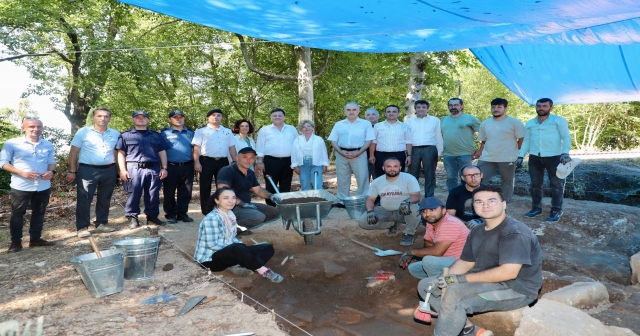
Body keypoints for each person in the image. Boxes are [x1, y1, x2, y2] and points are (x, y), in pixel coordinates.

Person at [415, 185, 542, 336]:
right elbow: (466, 262)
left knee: (454, 294)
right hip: (488, 282)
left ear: (504, 204)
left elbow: (508, 273)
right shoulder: (477, 230)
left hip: (516, 289)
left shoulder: (514, 233)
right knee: (425, 285)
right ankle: (467, 328)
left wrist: (458, 279)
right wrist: (443, 279)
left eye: (492, 200)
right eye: (479, 201)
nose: (485, 205)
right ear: (474, 206)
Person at [194, 187, 284, 283]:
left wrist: (243, 250)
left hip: (229, 252)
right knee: (238, 249)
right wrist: (240, 250)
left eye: (233, 198)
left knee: (267, 247)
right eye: (226, 198)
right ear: (217, 200)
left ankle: (241, 263)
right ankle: (263, 270)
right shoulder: (212, 218)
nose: (231, 201)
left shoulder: (230, 214)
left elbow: (232, 238)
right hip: (210, 260)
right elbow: (212, 245)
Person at [0, 116, 56, 252]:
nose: (35, 129)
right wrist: (22, 173)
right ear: (23, 127)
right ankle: (15, 243)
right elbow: (3, 163)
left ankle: (35, 240)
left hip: (43, 185)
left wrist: (51, 172)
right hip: (21, 185)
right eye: (32, 126)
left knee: (39, 212)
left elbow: (52, 162)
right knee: (18, 213)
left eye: (38, 127)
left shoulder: (47, 144)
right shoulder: (12, 143)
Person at [65, 107, 120, 237]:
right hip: (87, 170)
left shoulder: (116, 134)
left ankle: (101, 224)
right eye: (100, 116)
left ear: (109, 118)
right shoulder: (83, 132)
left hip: (109, 170)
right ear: (93, 117)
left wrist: (119, 170)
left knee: (105, 198)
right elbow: (73, 153)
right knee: (84, 198)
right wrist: (72, 171)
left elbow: (118, 153)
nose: (103, 118)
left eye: (106, 116)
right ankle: (82, 227)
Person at [516, 98, 572, 222]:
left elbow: (566, 137)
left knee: (556, 185)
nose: (541, 108)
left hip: (555, 157)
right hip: (535, 157)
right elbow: (527, 141)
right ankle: (536, 208)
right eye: (539, 106)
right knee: (535, 185)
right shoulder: (530, 123)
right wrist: (520, 156)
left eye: (544, 106)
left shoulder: (558, 120)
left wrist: (565, 153)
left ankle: (556, 210)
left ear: (551, 108)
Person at [115, 110, 171, 228]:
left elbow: (162, 152)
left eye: (144, 117)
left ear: (148, 120)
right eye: (138, 117)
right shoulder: (125, 135)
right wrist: (122, 170)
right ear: (133, 119)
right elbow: (120, 153)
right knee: (134, 193)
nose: (141, 119)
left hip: (153, 168)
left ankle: (152, 217)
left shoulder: (156, 135)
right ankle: (132, 217)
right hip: (133, 168)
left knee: (153, 193)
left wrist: (164, 168)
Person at [400, 197, 469, 279]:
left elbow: (437, 252)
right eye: (424, 211)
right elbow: (428, 242)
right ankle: (443, 277)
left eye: (432, 210)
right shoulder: (431, 222)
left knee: (428, 261)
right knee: (413, 269)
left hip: (462, 262)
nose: (428, 214)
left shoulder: (450, 224)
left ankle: (438, 285)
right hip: (445, 259)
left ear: (443, 210)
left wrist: (411, 252)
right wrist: (421, 254)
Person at [358, 157, 421, 246]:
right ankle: (392, 224)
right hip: (385, 210)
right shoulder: (377, 181)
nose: (392, 169)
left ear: (400, 167)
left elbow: (416, 196)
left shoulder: (409, 178)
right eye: (389, 166)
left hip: (403, 211)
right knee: (363, 221)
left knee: (415, 209)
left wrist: (406, 202)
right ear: (383, 168)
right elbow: (370, 199)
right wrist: (370, 211)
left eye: (395, 166)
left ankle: (408, 233)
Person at [217, 147, 281, 232]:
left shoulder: (250, 173)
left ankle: (240, 228)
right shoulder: (227, 170)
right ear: (237, 157)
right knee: (258, 217)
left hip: (246, 204)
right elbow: (223, 191)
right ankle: (228, 229)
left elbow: (258, 190)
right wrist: (242, 203)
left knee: (275, 212)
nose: (248, 160)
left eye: (252, 158)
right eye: (245, 157)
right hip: (230, 207)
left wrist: (271, 196)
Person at [475, 98, 525, 202]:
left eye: (499, 107)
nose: (495, 109)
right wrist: (480, 152)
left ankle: (504, 202)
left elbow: (521, 138)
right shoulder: (485, 123)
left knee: (507, 182)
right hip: (487, 157)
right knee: (479, 180)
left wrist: (516, 150)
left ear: (505, 108)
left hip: (507, 158)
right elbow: (483, 140)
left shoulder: (515, 122)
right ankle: (479, 200)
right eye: (493, 107)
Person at [327, 102, 374, 208]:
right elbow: (333, 140)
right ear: (344, 111)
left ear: (358, 111)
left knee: (362, 177)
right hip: (341, 153)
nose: (351, 112)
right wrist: (340, 152)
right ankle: (342, 201)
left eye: (354, 109)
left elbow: (369, 140)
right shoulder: (338, 124)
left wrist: (359, 152)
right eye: (348, 110)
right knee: (342, 177)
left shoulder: (365, 124)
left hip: (359, 153)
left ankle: (362, 201)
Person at [192, 108, 237, 215]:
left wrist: (235, 160)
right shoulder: (201, 131)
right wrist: (196, 162)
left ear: (221, 117)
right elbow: (196, 148)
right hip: (206, 161)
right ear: (208, 117)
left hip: (223, 162)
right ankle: (207, 212)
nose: (216, 117)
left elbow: (232, 147)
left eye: (218, 115)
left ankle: (223, 210)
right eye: (213, 115)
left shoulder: (227, 131)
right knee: (205, 187)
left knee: (224, 187)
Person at [255, 108, 298, 206]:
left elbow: (297, 146)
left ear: (284, 117)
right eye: (274, 115)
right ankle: (271, 206)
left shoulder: (292, 129)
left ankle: (284, 205)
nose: (277, 117)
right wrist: (259, 162)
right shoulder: (264, 130)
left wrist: (296, 162)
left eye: (280, 115)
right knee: (270, 184)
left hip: (288, 161)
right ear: (271, 118)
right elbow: (260, 147)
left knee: (286, 184)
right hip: (270, 161)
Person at [160, 110, 195, 224]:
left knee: (186, 191)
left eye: (181, 117)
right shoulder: (164, 133)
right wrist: (162, 167)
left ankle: (182, 213)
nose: (178, 119)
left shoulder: (190, 133)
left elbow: (195, 149)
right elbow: (160, 150)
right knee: (169, 191)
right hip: (170, 166)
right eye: (175, 117)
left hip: (188, 165)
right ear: (170, 119)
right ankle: (170, 214)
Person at [441, 98, 481, 191]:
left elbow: (484, 133)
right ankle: (453, 197)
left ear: (461, 106)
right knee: (451, 179)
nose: (453, 107)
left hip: (465, 154)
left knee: (467, 178)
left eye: (456, 105)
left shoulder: (470, 118)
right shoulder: (443, 120)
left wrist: (480, 150)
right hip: (448, 154)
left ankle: (466, 198)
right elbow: (441, 136)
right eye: (451, 105)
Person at [405, 100, 443, 197]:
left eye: (423, 107)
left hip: (430, 149)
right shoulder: (409, 121)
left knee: (430, 175)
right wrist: (408, 153)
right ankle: (413, 197)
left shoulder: (435, 120)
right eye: (418, 107)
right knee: (412, 175)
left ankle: (429, 198)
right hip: (414, 149)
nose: (421, 109)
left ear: (427, 108)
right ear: (415, 109)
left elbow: (438, 136)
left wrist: (439, 152)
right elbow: (407, 138)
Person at [369, 105, 412, 177]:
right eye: (389, 111)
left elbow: (408, 142)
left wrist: (409, 155)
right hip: (381, 155)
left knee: (398, 177)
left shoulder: (405, 126)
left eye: (394, 111)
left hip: (399, 155)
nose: (391, 113)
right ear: (385, 113)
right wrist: (371, 155)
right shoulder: (378, 126)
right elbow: (373, 142)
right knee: (380, 177)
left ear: (398, 113)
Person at [290, 120, 329, 190]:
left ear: (312, 127)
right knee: (304, 183)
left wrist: (325, 165)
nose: (306, 128)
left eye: (308, 126)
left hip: (316, 164)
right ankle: (307, 200)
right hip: (302, 164)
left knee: (317, 184)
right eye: (304, 127)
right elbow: (293, 153)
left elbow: (324, 152)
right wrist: (295, 166)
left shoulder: (319, 139)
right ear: (301, 129)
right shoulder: (297, 140)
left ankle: (319, 199)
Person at [364, 107, 380, 181]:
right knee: (364, 178)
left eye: (373, 114)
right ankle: (365, 193)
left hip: (379, 156)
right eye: (368, 115)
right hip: (363, 155)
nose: (371, 116)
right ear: (365, 117)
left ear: (378, 116)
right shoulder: (361, 128)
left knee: (377, 177)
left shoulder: (382, 127)